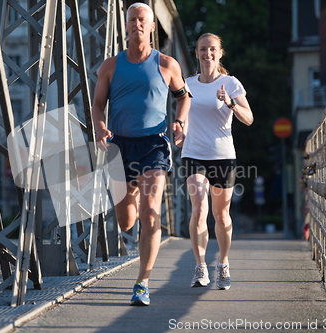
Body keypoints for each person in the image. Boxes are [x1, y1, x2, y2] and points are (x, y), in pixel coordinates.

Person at [92, 2, 190, 306]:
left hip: (154, 146)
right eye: (132, 19)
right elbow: (97, 105)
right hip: (120, 146)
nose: (137, 23)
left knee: (151, 214)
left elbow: (183, 97)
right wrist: (99, 127)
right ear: (126, 26)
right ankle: (130, 192)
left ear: (151, 27)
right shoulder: (110, 66)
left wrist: (180, 121)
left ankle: (142, 282)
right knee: (126, 221)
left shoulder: (167, 64)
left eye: (142, 19)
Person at [181, 33, 253, 290]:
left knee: (221, 215)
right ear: (197, 52)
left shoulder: (231, 83)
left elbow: (249, 118)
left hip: (223, 156)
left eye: (212, 49)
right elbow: (184, 115)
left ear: (220, 53)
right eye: (202, 49)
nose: (207, 53)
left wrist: (231, 103)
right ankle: (200, 267)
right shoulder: (187, 84)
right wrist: (180, 129)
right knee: (199, 209)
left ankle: (222, 263)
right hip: (193, 154)